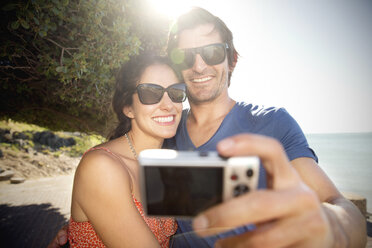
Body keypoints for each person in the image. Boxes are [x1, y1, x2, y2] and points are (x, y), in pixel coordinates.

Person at [49, 7, 367, 248]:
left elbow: (339, 206)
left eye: (213, 52)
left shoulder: (271, 123)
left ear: (232, 60)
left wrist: (333, 228)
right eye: (186, 57)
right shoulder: (164, 137)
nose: (199, 65)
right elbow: (114, 195)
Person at [65, 53, 186, 247]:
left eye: (176, 91)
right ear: (128, 108)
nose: (168, 105)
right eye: (151, 93)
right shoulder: (102, 167)